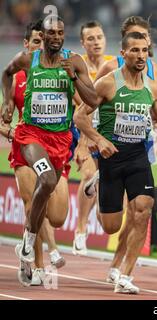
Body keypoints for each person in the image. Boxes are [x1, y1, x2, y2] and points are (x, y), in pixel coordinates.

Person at [1, 15, 97, 286]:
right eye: (50, 33)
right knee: (47, 180)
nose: (56, 37)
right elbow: (6, 73)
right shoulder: (27, 60)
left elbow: (92, 100)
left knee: (56, 216)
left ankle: (27, 241)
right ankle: (31, 246)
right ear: (41, 36)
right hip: (30, 136)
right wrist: (8, 102)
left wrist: (74, 77)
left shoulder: (74, 61)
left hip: (60, 140)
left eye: (60, 33)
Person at [74, 31, 157, 294]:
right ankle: (97, 186)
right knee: (112, 226)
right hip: (111, 159)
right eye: (135, 51)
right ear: (124, 54)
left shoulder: (153, 87)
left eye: (144, 51)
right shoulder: (107, 83)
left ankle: (126, 275)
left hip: (139, 156)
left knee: (144, 208)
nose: (141, 56)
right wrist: (97, 139)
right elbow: (79, 116)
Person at [0, 20, 67, 286]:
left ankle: (31, 247)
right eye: (36, 42)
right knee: (32, 201)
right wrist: (10, 128)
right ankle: (38, 263)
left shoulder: (61, 72)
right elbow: (3, 121)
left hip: (56, 147)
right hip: (25, 150)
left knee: (58, 216)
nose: (42, 46)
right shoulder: (16, 77)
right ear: (26, 46)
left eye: (45, 40)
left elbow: (79, 106)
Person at [72, 20, 115, 256]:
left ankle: (102, 208)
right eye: (90, 38)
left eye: (99, 37)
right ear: (82, 42)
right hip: (84, 129)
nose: (96, 42)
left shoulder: (113, 65)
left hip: (108, 133)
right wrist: (82, 140)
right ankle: (80, 229)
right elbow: (77, 102)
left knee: (106, 185)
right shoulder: (77, 67)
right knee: (88, 174)